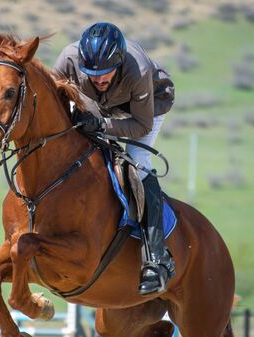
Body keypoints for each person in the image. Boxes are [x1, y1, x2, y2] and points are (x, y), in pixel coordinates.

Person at [53, 22, 175, 296]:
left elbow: (141, 125)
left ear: (118, 63)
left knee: (136, 162)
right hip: (103, 105)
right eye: (91, 74)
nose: (97, 79)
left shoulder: (138, 69)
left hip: (148, 107)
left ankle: (156, 258)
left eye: (104, 74)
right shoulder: (68, 59)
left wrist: (100, 125)